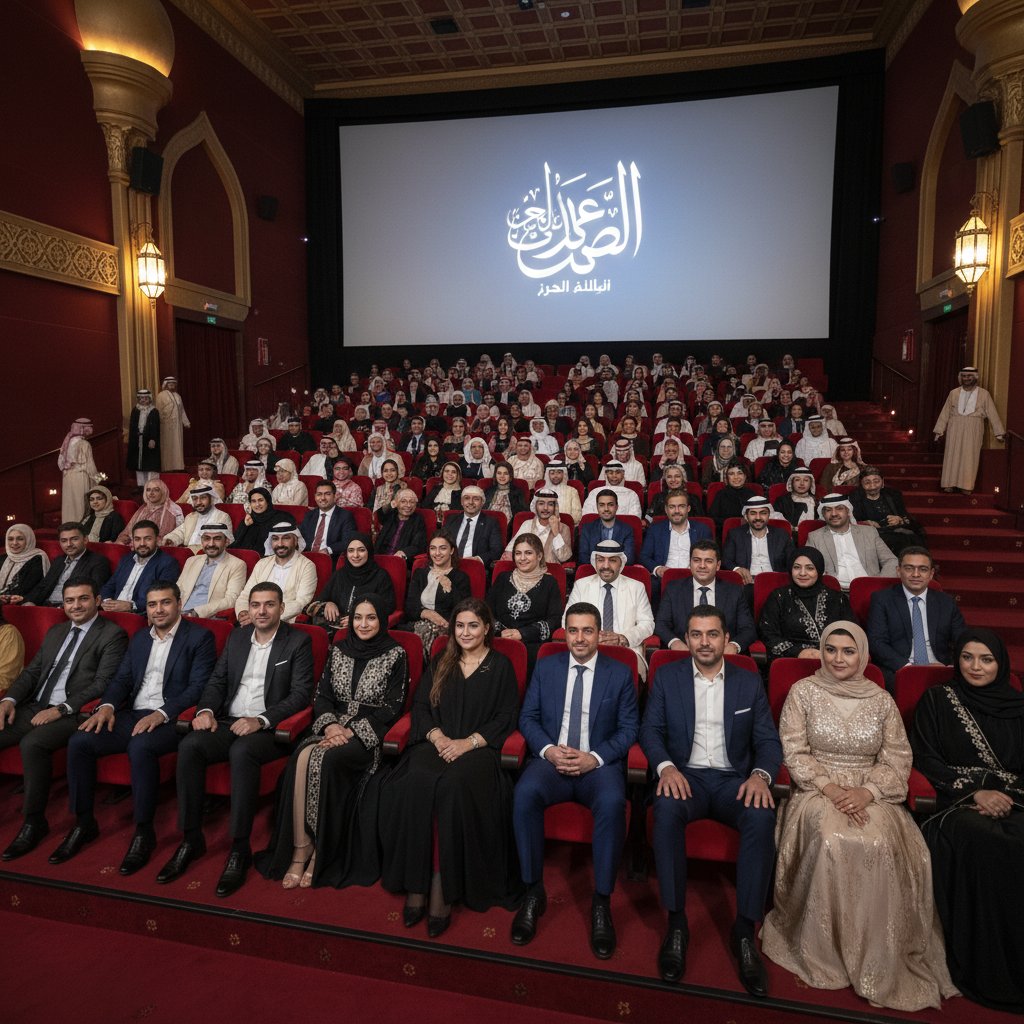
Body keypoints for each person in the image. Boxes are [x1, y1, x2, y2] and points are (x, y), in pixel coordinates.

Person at [761, 622, 956, 1011]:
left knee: (878, 842)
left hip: (871, 791)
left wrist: (867, 793)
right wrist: (829, 788)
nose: (838, 658)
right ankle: (826, 948)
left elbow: (897, 757)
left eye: (848, 651)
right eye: (830, 649)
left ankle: (877, 952)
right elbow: (794, 751)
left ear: (863, 655)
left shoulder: (881, 700)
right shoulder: (803, 692)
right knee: (831, 839)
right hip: (816, 789)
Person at [640, 606, 780, 993]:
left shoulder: (747, 681)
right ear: (686, 639)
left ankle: (744, 930)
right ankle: (676, 923)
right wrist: (667, 768)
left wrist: (760, 776)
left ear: (726, 639)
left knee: (761, 816)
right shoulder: (667, 677)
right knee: (665, 809)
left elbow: (768, 740)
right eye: (697, 635)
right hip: (686, 777)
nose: (704, 642)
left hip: (734, 781)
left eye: (712, 634)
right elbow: (650, 730)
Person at [158, 582, 316, 896]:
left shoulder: (298, 641)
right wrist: (205, 710)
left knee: (242, 752)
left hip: (268, 729)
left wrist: (261, 720)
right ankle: (191, 838)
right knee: (190, 745)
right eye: (256, 605)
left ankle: (239, 848)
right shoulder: (237, 637)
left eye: (269, 604)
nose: (262, 611)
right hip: (229, 721)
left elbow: (300, 695)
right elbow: (217, 681)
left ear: (281, 608)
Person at [379, 598, 520, 935]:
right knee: (417, 780)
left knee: (452, 787)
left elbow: (506, 717)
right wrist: (438, 737)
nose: (465, 632)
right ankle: (416, 885)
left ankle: (442, 886)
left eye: (473, 625)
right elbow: (421, 706)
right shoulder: (442, 659)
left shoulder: (500, 666)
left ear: (487, 628)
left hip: (478, 750)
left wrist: (467, 743)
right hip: (437, 743)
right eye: (459, 626)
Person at [56, 582, 216, 874]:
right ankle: (84, 822)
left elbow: (198, 687)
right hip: (132, 712)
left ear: (179, 604)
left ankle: (144, 831)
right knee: (81, 741)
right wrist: (107, 706)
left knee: (140, 746)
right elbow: (122, 680)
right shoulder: (141, 637)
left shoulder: (199, 637)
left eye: (165, 603)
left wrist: (161, 714)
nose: (158, 610)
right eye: (152, 604)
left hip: (173, 717)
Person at [511, 601, 638, 958]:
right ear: (564, 633)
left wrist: (593, 758)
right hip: (552, 760)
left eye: (587, 631)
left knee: (613, 803)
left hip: (597, 765)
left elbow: (630, 728)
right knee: (524, 794)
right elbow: (528, 717)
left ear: (599, 634)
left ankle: (601, 901)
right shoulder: (546, 666)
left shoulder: (620, 672)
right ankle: (533, 890)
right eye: (573, 631)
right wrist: (549, 750)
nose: (579, 638)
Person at [257, 592, 406, 890]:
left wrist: (351, 732)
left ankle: (320, 853)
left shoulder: (395, 653)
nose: (363, 624)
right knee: (301, 757)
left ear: (381, 620)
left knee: (324, 759)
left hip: (367, 736)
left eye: (371, 618)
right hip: (331, 727)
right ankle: (300, 848)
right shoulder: (338, 648)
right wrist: (331, 726)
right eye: (358, 618)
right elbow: (322, 696)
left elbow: (394, 707)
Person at [910, 628, 1024, 1012]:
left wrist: (1006, 798)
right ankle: (988, 966)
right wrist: (975, 793)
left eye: (986, 659)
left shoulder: (1019, 707)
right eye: (967, 657)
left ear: (1000, 663)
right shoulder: (937, 700)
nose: (976, 666)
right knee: (989, 841)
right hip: (955, 805)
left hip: (1014, 802)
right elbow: (925, 760)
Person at [0, 581, 127, 861]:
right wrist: (8, 699)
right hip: (35, 705)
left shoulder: (112, 634)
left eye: (83, 599)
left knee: (33, 743)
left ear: (97, 600)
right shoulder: (56, 631)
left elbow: (103, 682)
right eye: (70, 600)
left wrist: (61, 709)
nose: (76, 606)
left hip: (73, 712)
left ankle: (33, 822)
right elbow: (32, 673)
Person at [866, 546, 966, 689]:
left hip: (939, 667)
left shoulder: (946, 602)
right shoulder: (882, 599)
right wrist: (908, 667)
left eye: (923, 569)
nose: (916, 574)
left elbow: (962, 639)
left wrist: (948, 666)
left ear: (931, 574)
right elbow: (876, 642)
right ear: (898, 571)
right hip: (899, 668)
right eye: (909, 568)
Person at [563, 540, 655, 679]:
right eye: (600, 560)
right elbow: (566, 620)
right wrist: (592, 638)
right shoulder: (581, 585)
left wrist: (623, 638)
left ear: (621, 563)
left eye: (612, 560)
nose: (606, 566)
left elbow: (647, 623)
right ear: (595, 562)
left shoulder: (636, 587)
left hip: (626, 650)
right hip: (587, 649)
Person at [654, 541, 756, 653]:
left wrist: (734, 646)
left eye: (708, 561)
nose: (702, 566)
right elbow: (661, 624)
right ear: (690, 563)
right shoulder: (673, 589)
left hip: (722, 655)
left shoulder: (734, 591)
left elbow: (748, 629)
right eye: (696, 560)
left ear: (718, 565)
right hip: (684, 653)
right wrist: (674, 642)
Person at [757, 547, 852, 661]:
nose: (802, 573)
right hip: (792, 660)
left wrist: (831, 653)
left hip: (833, 661)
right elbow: (767, 633)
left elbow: (851, 633)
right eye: (797, 567)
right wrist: (798, 652)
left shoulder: (837, 599)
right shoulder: (779, 597)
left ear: (819, 570)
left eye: (810, 568)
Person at [486, 534, 561, 675]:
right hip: (500, 639)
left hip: (532, 645)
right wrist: (500, 632)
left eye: (528, 553)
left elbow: (554, 620)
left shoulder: (549, 583)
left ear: (539, 556)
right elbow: (486, 611)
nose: (522, 558)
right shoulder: (502, 578)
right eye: (518, 553)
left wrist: (523, 634)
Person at [933, 365, 1006, 493]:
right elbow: (945, 412)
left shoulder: (984, 394)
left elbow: (992, 413)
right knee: (952, 454)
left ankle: (966, 486)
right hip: (955, 426)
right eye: (964, 376)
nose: (966, 378)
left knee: (970, 456)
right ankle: (949, 483)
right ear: (960, 377)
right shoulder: (953, 393)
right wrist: (939, 430)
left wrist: (998, 432)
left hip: (974, 426)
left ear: (975, 378)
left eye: (969, 376)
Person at [304, 533, 396, 633]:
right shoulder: (339, 574)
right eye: (351, 550)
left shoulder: (380, 576)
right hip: (334, 627)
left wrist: (358, 618)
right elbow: (322, 598)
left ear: (369, 551)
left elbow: (387, 607)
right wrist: (328, 603)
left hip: (363, 630)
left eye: (361, 550)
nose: (355, 555)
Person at [402, 530, 471, 659]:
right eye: (433, 548)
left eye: (442, 548)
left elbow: (463, 611)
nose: (437, 553)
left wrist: (450, 587)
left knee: (429, 633)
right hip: (418, 623)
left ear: (451, 550)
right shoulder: (420, 574)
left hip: (445, 627)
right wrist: (427, 613)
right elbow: (410, 608)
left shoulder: (460, 577)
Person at [807, 493, 898, 588]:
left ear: (848, 511)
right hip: (833, 590)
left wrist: (879, 584)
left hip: (870, 588)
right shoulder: (815, 537)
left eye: (839, 508)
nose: (834, 514)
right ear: (823, 514)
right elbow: (808, 567)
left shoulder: (869, 532)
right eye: (828, 510)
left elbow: (891, 560)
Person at [234, 521, 318, 625]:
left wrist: (263, 617)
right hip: (252, 621)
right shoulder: (262, 563)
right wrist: (243, 613)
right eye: (275, 539)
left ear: (296, 541)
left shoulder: (307, 566)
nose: (280, 544)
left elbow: (301, 602)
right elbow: (245, 595)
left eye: (286, 538)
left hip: (284, 622)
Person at [99, 521, 181, 613]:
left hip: (138, 614)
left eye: (148, 539)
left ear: (158, 539)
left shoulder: (167, 563)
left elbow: (161, 596)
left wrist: (131, 606)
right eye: (137, 539)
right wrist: (107, 602)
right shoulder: (126, 559)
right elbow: (109, 586)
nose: (142, 543)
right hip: (112, 611)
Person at [20, 523, 110, 607]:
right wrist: (28, 600)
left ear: (85, 539)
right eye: (64, 540)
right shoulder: (59, 560)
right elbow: (43, 586)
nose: (69, 544)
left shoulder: (97, 561)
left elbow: (95, 591)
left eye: (74, 539)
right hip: (47, 605)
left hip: (72, 608)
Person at [640, 488, 713, 590]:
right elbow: (644, 556)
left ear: (688, 508)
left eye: (681, 506)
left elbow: (711, 557)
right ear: (666, 510)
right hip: (663, 579)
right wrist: (658, 569)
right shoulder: (655, 529)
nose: (677, 511)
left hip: (693, 578)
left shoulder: (702, 530)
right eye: (672, 507)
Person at [850, 468, 925, 557]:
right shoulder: (855, 498)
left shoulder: (893, 494)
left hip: (894, 530)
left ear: (883, 482)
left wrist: (899, 519)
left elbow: (905, 516)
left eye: (876, 481)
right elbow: (851, 522)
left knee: (913, 536)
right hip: (871, 534)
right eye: (867, 482)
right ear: (861, 484)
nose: (872, 486)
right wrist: (865, 523)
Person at [177, 524, 247, 618]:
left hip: (206, 616)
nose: (211, 544)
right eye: (207, 538)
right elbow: (177, 589)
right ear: (202, 542)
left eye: (217, 539)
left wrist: (197, 612)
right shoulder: (192, 560)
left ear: (227, 541)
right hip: (178, 613)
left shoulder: (237, 565)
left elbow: (231, 599)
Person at [722, 496, 794, 587]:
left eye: (763, 513)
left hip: (776, 583)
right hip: (746, 583)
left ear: (769, 515)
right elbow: (726, 560)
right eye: (753, 513)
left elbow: (792, 560)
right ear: (746, 516)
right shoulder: (735, 534)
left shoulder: (782, 535)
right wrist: (737, 569)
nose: (758, 517)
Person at [502, 489, 573, 565]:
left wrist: (556, 533)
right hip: (525, 569)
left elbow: (564, 557)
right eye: (541, 503)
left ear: (555, 507)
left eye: (550, 504)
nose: (545, 508)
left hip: (549, 571)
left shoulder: (564, 528)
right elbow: (510, 552)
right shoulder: (527, 524)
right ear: (535, 506)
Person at [160, 485, 230, 551]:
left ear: (211, 498)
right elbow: (180, 532)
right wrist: (171, 539)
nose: (198, 502)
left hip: (207, 553)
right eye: (195, 499)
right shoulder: (191, 517)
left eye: (203, 498)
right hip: (188, 552)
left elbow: (224, 542)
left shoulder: (222, 516)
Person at [447, 486, 503, 568]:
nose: (471, 502)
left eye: (476, 499)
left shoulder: (491, 523)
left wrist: (478, 559)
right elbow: (441, 542)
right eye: (467, 498)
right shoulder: (451, 519)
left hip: (474, 567)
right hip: (449, 565)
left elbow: (496, 550)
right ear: (462, 502)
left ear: (482, 502)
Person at [297, 480, 355, 561]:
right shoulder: (309, 515)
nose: (323, 498)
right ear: (315, 497)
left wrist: (328, 550)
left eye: (327, 494)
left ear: (335, 496)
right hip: (306, 558)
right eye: (319, 494)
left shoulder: (344, 516)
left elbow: (348, 541)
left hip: (330, 559)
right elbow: (301, 537)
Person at [116, 478, 185, 544]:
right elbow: (128, 531)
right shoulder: (143, 508)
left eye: (156, 490)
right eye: (148, 490)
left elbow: (163, 537)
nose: (151, 493)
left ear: (163, 492)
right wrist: (122, 540)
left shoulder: (171, 510)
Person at [579, 489, 637, 566]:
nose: (606, 509)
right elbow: (583, 558)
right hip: (593, 570)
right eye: (602, 505)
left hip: (618, 572)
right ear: (597, 507)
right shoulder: (587, 529)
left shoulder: (627, 530)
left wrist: (609, 567)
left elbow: (628, 559)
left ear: (616, 507)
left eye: (610, 505)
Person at [58, 417, 100, 523]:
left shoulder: (67, 443)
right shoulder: (84, 444)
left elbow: (61, 462)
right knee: (80, 502)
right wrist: (98, 479)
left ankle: (69, 524)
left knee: (70, 503)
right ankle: (81, 525)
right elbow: (90, 465)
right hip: (80, 476)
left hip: (68, 477)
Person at [375, 487, 428, 561]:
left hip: (401, 561)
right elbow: (381, 514)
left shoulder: (418, 520)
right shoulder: (390, 515)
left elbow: (418, 545)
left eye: (412, 502)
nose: (408, 505)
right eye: (403, 501)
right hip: (380, 558)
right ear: (396, 503)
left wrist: (404, 553)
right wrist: (389, 505)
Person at [0, 524, 50, 603]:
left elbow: (24, 589)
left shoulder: (37, 559)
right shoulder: (4, 558)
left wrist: (4, 597)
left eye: (20, 539)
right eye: (10, 539)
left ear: (28, 540)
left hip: (21, 601)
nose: (14, 543)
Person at [127, 388, 160, 487]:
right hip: (137, 441)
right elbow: (132, 426)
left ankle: (151, 484)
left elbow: (155, 427)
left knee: (149, 463)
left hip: (149, 441)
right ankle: (141, 485)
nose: (143, 400)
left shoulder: (154, 411)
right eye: (141, 398)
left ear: (149, 399)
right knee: (139, 465)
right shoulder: (135, 410)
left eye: (145, 398)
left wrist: (153, 439)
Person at [155, 376, 190, 471]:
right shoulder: (161, 395)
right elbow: (158, 410)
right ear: (166, 384)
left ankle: (178, 466)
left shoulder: (178, 396)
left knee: (177, 445)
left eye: (173, 383)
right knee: (168, 446)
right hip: (166, 426)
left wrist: (185, 422)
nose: (172, 385)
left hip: (177, 426)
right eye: (170, 383)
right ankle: (167, 467)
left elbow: (182, 410)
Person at [229, 487, 279, 554]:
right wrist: (245, 526)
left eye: (261, 500)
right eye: (253, 501)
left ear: (268, 501)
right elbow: (234, 544)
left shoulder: (278, 519)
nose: (257, 504)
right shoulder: (248, 520)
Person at [708, 461, 757, 529]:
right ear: (727, 478)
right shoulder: (721, 495)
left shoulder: (752, 494)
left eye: (740, 473)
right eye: (731, 474)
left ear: (745, 476)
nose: (736, 477)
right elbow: (713, 519)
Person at [422, 461, 463, 526]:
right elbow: (424, 507)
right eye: (447, 471)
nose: (450, 474)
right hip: (431, 524)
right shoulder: (435, 488)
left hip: (451, 526)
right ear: (442, 473)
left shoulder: (462, 493)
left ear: (458, 475)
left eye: (453, 472)